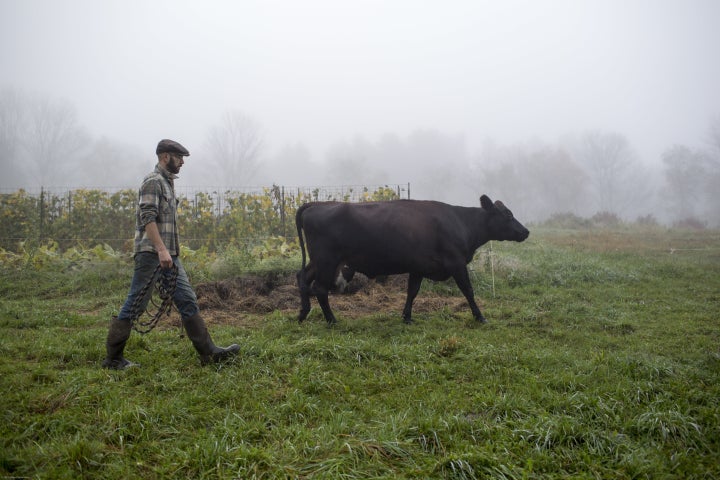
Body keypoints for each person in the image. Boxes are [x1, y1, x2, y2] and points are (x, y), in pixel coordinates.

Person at [102, 139, 240, 369]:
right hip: (151, 254)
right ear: (165, 156)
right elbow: (148, 217)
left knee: (187, 299)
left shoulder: (167, 183)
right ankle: (113, 359)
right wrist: (161, 249)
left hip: (169, 256)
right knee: (136, 303)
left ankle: (208, 352)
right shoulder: (153, 182)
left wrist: (169, 252)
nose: (182, 162)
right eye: (179, 157)